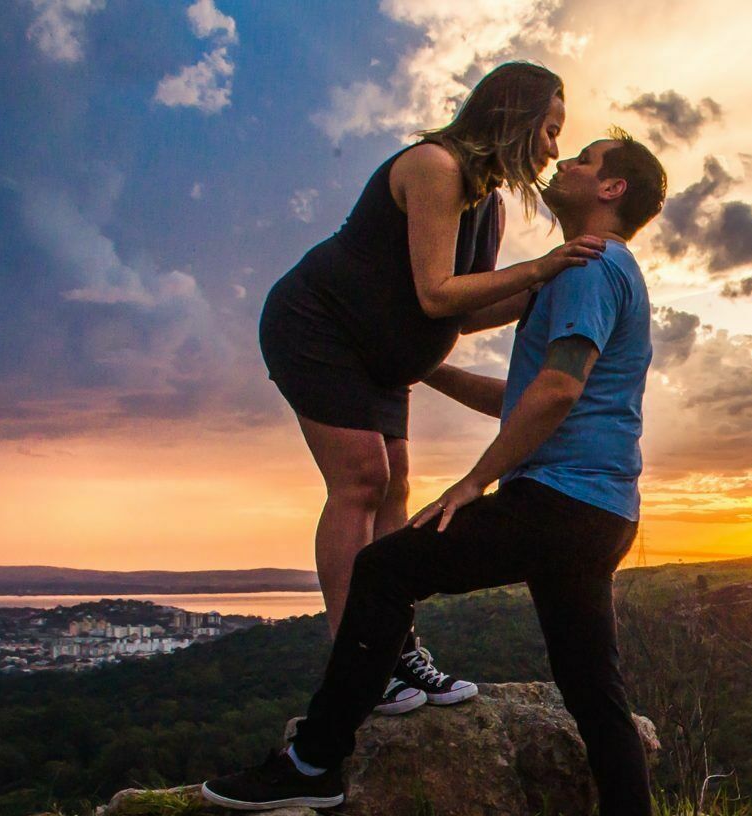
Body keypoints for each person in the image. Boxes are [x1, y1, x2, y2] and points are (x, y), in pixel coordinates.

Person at [205, 131, 672, 816]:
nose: (564, 165)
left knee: (384, 570)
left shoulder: (592, 264)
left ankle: (313, 763)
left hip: (559, 500)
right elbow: (527, 394)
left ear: (613, 189)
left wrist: (473, 484)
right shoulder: (581, 276)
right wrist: (434, 370)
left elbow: (556, 394)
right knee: (594, 691)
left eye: (584, 160)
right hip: (602, 511)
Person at [259, 61, 607, 715]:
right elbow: (434, 290)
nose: (555, 148)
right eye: (552, 130)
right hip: (318, 328)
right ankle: (356, 661)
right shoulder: (434, 167)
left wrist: (541, 285)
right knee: (361, 479)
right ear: (516, 115)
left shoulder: (487, 203)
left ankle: (392, 643)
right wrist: (538, 268)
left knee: (395, 485)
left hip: (379, 353)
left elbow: (462, 312)